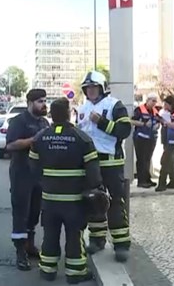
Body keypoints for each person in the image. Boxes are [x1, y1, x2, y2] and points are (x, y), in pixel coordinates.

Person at [29, 97, 103, 284]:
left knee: (50, 235)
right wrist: (94, 189)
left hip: (49, 199)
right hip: (74, 200)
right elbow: (93, 172)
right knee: (73, 235)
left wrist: (45, 183)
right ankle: (75, 273)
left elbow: (34, 168)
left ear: (51, 115)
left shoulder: (40, 138)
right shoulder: (82, 139)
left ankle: (47, 270)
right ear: (70, 113)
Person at [76, 71, 132, 262]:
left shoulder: (114, 105)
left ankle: (121, 244)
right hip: (90, 163)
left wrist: (101, 122)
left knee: (115, 202)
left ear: (101, 88)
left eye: (94, 87)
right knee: (94, 201)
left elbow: (124, 130)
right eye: (87, 88)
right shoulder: (82, 108)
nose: (90, 91)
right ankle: (97, 239)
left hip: (111, 162)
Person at [5, 88, 50, 270]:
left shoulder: (44, 122)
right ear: (30, 103)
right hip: (21, 173)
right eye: (40, 101)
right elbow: (10, 145)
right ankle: (20, 252)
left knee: (34, 212)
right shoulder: (19, 121)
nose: (43, 104)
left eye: (44, 101)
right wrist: (32, 140)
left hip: (38, 175)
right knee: (21, 212)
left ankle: (30, 245)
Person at [130, 93, 160, 188]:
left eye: (155, 101)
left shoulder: (155, 111)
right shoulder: (139, 110)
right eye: (153, 101)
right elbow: (131, 121)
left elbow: (159, 121)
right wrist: (143, 124)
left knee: (147, 159)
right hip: (140, 138)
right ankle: (141, 181)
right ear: (147, 100)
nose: (154, 103)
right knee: (141, 159)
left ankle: (147, 179)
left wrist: (157, 125)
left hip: (151, 138)